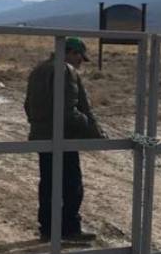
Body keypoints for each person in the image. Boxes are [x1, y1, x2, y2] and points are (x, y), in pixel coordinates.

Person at [24, 37, 106, 243]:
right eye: (80, 56)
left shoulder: (38, 70)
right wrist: (92, 130)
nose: (80, 62)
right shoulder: (65, 71)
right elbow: (69, 111)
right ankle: (70, 229)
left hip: (41, 136)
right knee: (71, 185)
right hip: (62, 138)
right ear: (71, 53)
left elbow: (28, 105)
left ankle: (48, 229)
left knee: (49, 184)